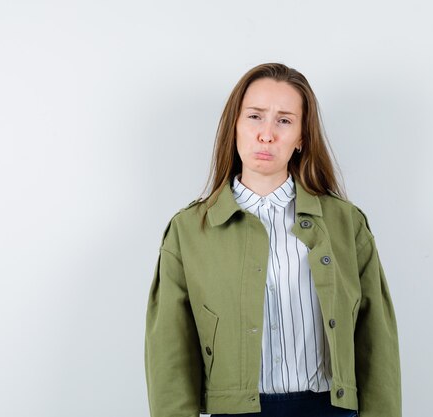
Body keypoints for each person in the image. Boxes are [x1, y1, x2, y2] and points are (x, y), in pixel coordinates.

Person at [144, 63, 401, 417]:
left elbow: (377, 341)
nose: (267, 134)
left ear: (301, 138)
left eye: (284, 120)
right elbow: (169, 355)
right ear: (234, 126)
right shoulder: (188, 231)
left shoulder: (345, 223)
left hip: (330, 409)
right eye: (254, 116)